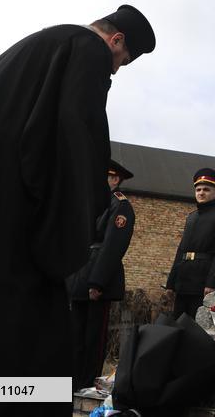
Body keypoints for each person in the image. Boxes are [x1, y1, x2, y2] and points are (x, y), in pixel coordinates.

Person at [0, 4, 154, 415]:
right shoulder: (88, 51)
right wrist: (76, 220)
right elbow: (75, 135)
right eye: (121, 63)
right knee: (28, 352)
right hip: (2, 222)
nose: (114, 72)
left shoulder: (39, 43)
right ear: (116, 41)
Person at [68, 159, 137, 391]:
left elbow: (113, 246)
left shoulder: (120, 205)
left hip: (98, 276)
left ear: (115, 179)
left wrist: (97, 281)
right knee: (75, 335)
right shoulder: (94, 203)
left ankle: (87, 382)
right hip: (80, 275)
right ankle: (72, 382)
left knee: (92, 337)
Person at [165, 168, 215, 320]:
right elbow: (181, 250)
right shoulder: (191, 217)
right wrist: (170, 283)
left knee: (196, 327)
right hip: (183, 279)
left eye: (206, 189)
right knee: (178, 323)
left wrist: (212, 282)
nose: (201, 193)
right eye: (198, 189)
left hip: (202, 281)